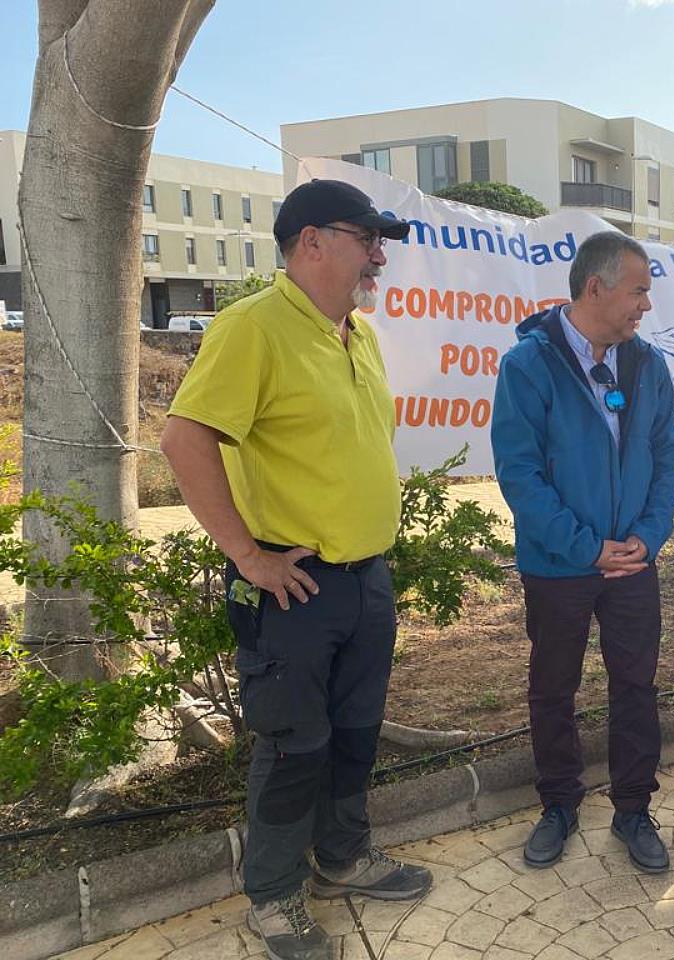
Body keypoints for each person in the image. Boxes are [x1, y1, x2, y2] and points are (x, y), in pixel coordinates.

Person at [161, 179, 432, 960]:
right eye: (368, 239)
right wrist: (248, 557)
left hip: (365, 580)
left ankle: (342, 859)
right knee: (292, 745)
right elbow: (185, 440)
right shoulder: (253, 327)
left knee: (355, 734)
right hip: (294, 591)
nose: (379, 257)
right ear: (311, 242)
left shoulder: (358, 333)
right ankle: (276, 897)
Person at [491, 231, 674, 874]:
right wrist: (585, 548)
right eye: (639, 291)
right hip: (559, 566)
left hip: (633, 562)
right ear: (596, 288)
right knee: (553, 687)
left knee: (636, 686)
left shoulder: (648, 365)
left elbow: (667, 456)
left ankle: (634, 809)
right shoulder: (528, 366)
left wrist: (648, 536)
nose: (646, 305)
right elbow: (520, 475)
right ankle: (558, 804)